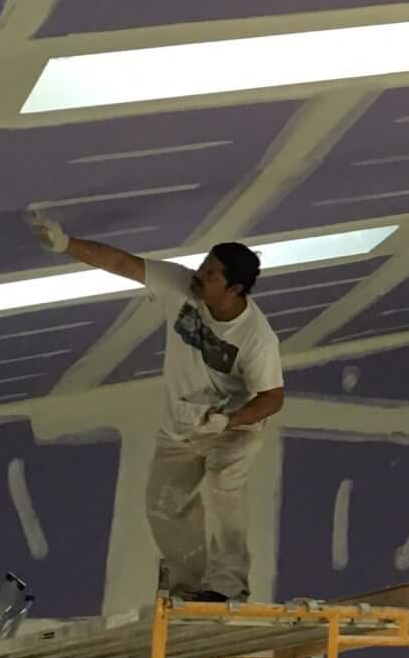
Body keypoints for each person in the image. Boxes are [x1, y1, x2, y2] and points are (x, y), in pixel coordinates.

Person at [28, 216, 285, 605]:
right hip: (180, 426)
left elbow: (272, 397)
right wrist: (65, 244)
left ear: (234, 289)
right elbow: (123, 263)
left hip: (233, 428)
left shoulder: (256, 337)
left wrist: (229, 421)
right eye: (203, 265)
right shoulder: (182, 285)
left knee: (223, 486)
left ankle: (229, 588)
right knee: (164, 506)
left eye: (211, 274)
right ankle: (189, 588)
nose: (199, 275)